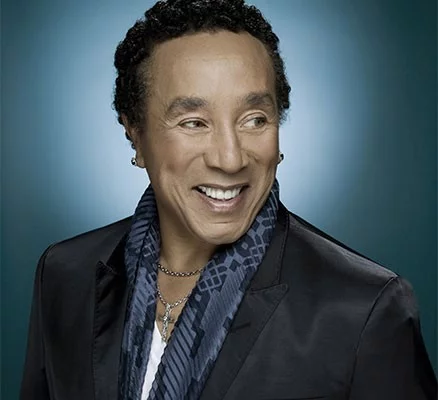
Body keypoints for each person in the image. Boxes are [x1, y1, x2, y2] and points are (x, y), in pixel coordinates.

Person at [20, 0, 437, 399]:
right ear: (136, 135)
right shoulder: (65, 275)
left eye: (255, 119)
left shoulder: (363, 307)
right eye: (194, 122)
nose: (230, 158)